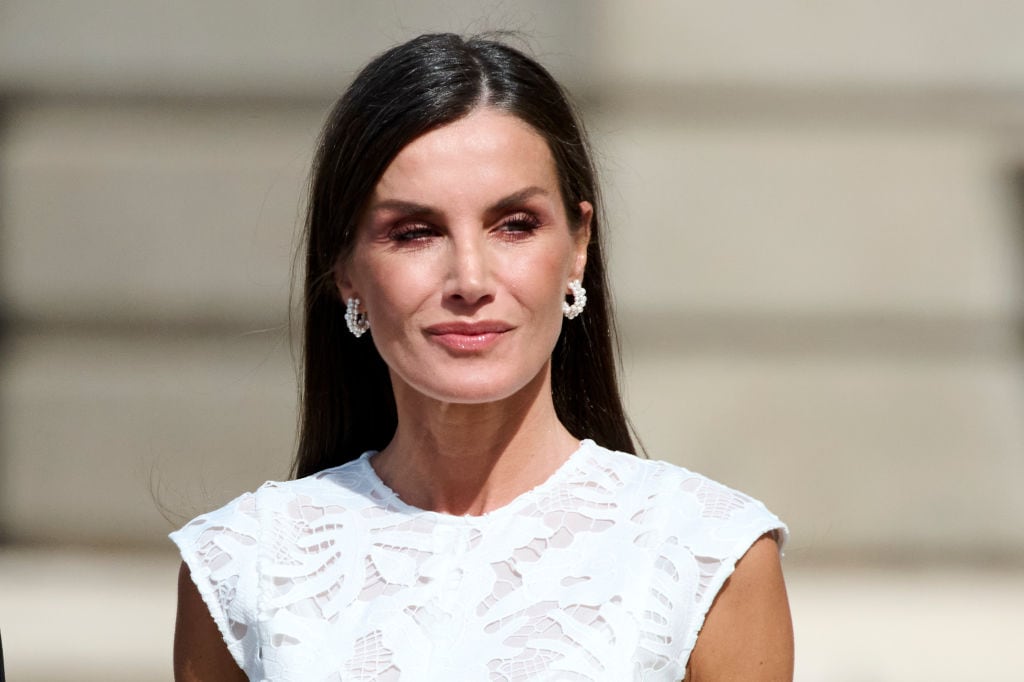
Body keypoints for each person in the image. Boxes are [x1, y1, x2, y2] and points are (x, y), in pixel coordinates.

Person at [171, 32, 793, 681]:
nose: (470, 279)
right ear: (346, 267)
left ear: (579, 245)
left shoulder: (708, 555)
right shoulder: (239, 566)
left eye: (515, 225)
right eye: (415, 232)